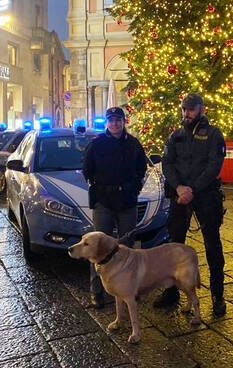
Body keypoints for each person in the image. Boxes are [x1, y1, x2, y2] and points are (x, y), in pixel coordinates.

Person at [158, 93, 228, 316]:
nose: (186, 113)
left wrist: (192, 189)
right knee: (174, 244)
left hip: (205, 195)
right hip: (180, 195)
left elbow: (213, 166)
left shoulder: (214, 134)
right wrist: (179, 187)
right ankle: (171, 292)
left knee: (212, 245)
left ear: (201, 109)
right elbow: (167, 163)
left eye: (191, 109)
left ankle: (218, 296)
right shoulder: (176, 135)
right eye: (184, 109)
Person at [82, 106, 147, 308]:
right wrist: (98, 188)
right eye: (111, 120)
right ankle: (97, 290)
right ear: (107, 123)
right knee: (97, 247)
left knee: (127, 247)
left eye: (118, 120)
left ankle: (130, 287)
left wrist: (134, 188)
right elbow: (87, 170)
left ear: (123, 122)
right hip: (104, 200)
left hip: (126, 200)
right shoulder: (97, 144)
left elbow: (141, 169)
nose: (115, 124)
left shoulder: (134, 144)